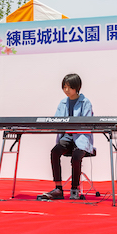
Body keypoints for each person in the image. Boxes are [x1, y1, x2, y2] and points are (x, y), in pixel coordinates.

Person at [39, 73, 94, 201]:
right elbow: (57, 120)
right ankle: (58, 188)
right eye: (64, 87)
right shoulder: (62, 102)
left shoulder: (85, 102)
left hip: (81, 138)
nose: (66, 90)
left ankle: (75, 188)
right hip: (67, 138)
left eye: (69, 87)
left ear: (77, 87)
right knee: (55, 151)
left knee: (76, 156)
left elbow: (86, 123)